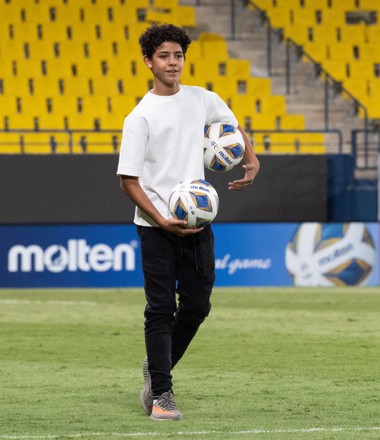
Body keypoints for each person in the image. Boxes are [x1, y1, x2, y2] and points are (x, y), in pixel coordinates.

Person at [117, 23, 260, 421]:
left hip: (198, 220)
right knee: (160, 309)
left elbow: (232, 129)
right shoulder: (140, 117)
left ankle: (155, 366)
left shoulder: (202, 99)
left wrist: (251, 158)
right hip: (155, 227)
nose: (172, 62)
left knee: (197, 306)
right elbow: (128, 180)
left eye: (178, 55)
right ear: (148, 61)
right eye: (163, 56)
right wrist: (161, 219)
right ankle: (162, 394)